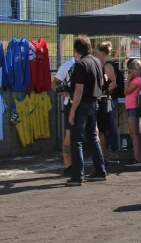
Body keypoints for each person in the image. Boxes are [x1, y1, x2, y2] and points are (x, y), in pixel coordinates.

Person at [66, 35, 107, 186]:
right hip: (94, 103)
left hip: (82, 104)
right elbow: (103, 81)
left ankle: (77, 176)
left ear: (77, 50)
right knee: (92, 137)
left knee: (76, 140)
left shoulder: (81, 64)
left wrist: (72, 111)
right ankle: (100, 171)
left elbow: (78, 90)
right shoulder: (97, 61)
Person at [51, 56, 78, 177]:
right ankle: (68, 166)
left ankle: (99, 165)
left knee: (94, 133)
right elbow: (54, 85)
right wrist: (64, 91)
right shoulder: (67, 66)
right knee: (69, 136)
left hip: (88, 104)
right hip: (71, 104)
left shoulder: (91, 63)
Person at [94, 41, 120, 164]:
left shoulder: (107, 65)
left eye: (97, 53)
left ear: (102, 53)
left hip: (109, 99)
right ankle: (106, 152)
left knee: (109, 126)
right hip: (105, 99)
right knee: (105, 126)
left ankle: (112, 152)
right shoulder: (103, 64)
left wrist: (101, 92)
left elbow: (114, 83)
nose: (96, 55)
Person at [124, 59, 141, 167]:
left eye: (134, 69)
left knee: (134, 134)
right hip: (132, 107)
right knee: (135, 134)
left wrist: (128, 79)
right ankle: (140, 156)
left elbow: (126, 91)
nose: (132, 71)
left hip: (133, 107)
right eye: (131, 69)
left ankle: (137, 158)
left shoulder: (137, 80)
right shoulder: (137, 79)